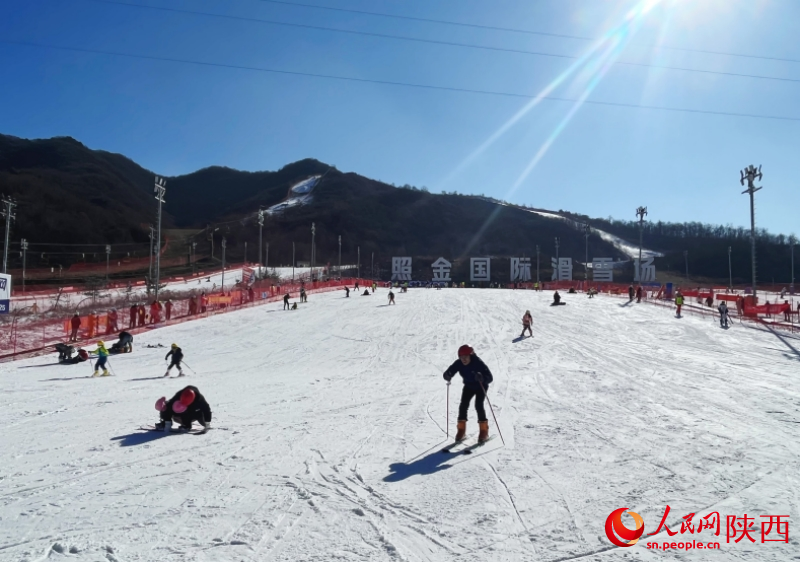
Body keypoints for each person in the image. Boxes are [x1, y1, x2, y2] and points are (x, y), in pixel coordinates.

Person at [442, 345, 493, 443]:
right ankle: (461, 431)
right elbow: (450, 370)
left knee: (478, 405)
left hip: (481, 386)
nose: (463, 359)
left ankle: (484, 431)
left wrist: (482, 378)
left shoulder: (478, 363)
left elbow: (490, 378)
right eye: (461, 357)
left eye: (466, 357)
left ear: (471, 356)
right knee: (463, 405)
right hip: (469, 386)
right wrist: (447, 374)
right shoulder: (459, 363)